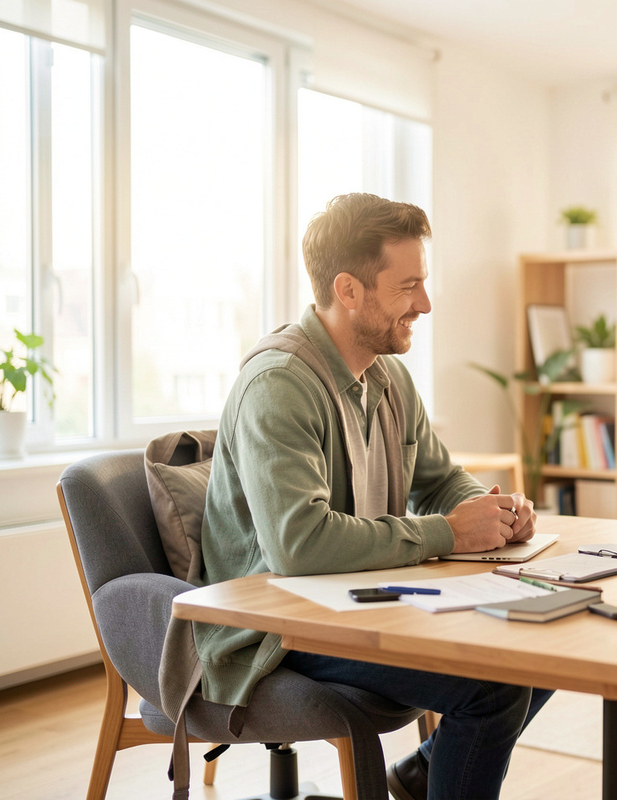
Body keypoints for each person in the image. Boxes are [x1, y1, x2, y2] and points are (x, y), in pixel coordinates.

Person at [197, 193, 551, 800]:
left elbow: (440, 480)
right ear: (349, 290)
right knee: (492, 689)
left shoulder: (388, 377)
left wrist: (491, 511)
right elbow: (297, 545)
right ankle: (428, 778)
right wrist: (449, 532)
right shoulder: (278, 385)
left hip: (355, 604)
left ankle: (421, 776)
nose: (426, 303)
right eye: (407, 286)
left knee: (538, 643)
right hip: (279, 630)